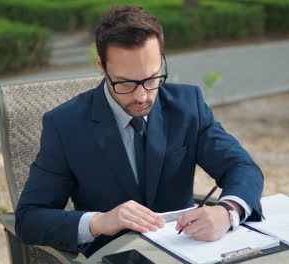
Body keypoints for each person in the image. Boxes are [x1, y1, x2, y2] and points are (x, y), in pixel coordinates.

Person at [15, 5, 264, 258]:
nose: (142, 96)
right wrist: (98, 222)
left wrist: (227, 212)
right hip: (112, 257)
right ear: (101, 66)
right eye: (125, 83)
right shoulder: (65, 125)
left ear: (162, 61)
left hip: (185, 253)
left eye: (152, 78)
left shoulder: (188, 106)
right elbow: (29, 219)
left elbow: (242, 168)